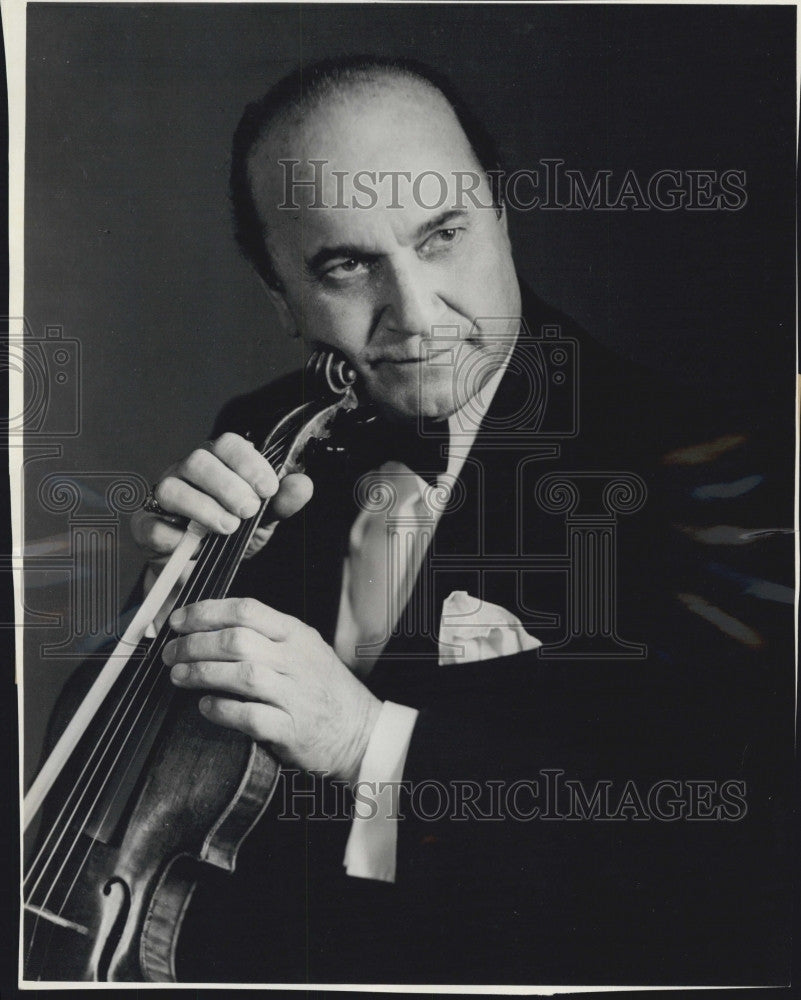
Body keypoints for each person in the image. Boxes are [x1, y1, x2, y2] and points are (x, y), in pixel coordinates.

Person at [104, 56, 790, 983]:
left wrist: (363, 743)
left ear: (501, 217)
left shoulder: (713, 474)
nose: (417, 316)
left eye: (441, 237)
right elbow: (120, 805)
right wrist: (170, 613)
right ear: (282, 300)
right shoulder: (262, 437)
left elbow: (722, 869)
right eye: (348, 267)